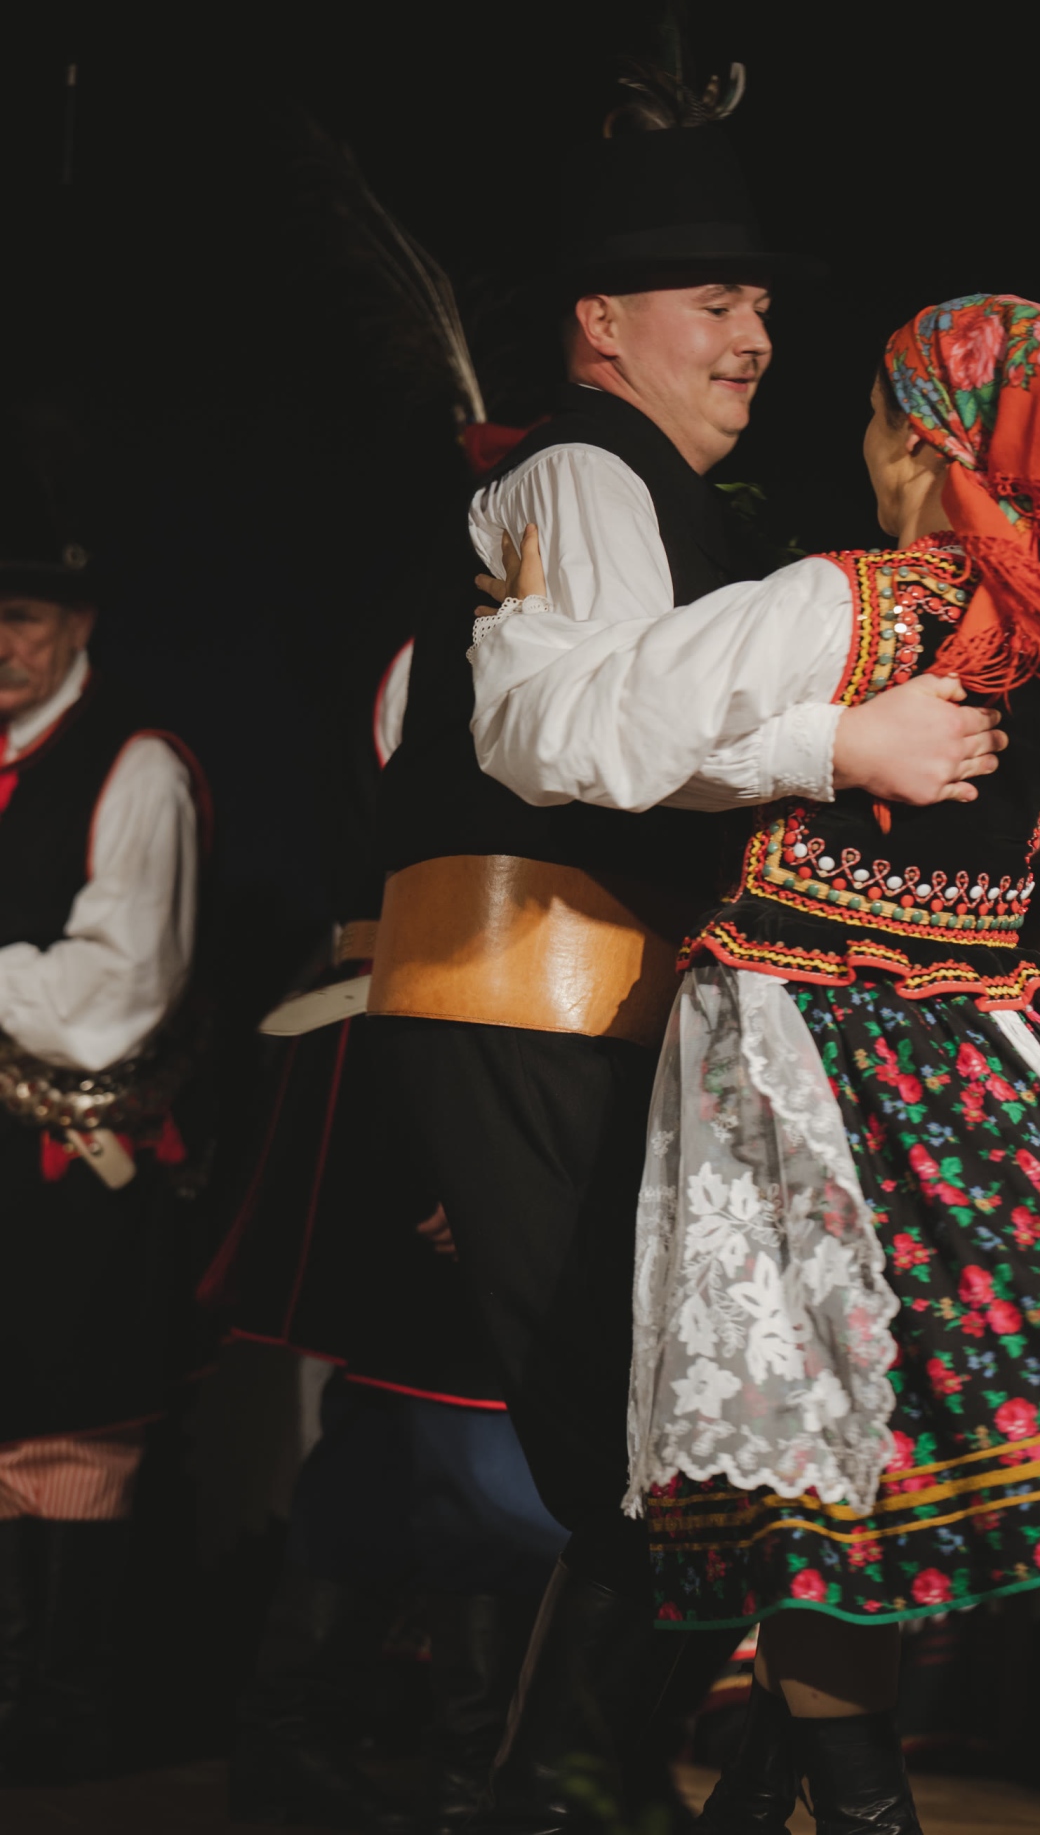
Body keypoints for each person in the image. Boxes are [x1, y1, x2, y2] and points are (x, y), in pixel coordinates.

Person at [468, 294, 1040, 1834]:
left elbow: (566, 734)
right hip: (981, 1064)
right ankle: (787, 1783)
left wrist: (531, 637)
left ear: (915, 443)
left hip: (799, 1056)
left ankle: (851, 1803)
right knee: (890, 1443)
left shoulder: (838, 602)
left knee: (803, 1445)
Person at [371, 73, 1006, 1829]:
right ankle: (588, 1791)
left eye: (763, 308)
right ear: (602, 324)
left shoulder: (648, 494)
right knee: (649, 1438)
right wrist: (835, 745)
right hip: (539, 985)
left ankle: (604, 1791)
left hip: (589, 998)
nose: (757, 338)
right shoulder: (586, 470)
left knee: (686, 1435)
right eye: (716, 303)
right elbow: (574, 736)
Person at [202, 633, 566, 1835]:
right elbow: (439, 907)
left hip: (475, 1055)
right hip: (444, 1056)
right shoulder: (456, 652)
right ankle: (463, 1782)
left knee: (404, 1418)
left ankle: (301, 1738)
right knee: (461, 1412)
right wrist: (461, 1152)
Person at [0, 452, 209, 1782]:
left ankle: (60, 1721)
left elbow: (110, 1000)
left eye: (20, 616)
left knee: (67, 1426)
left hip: (71, 1166)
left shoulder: (135, 768)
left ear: (77, 622)